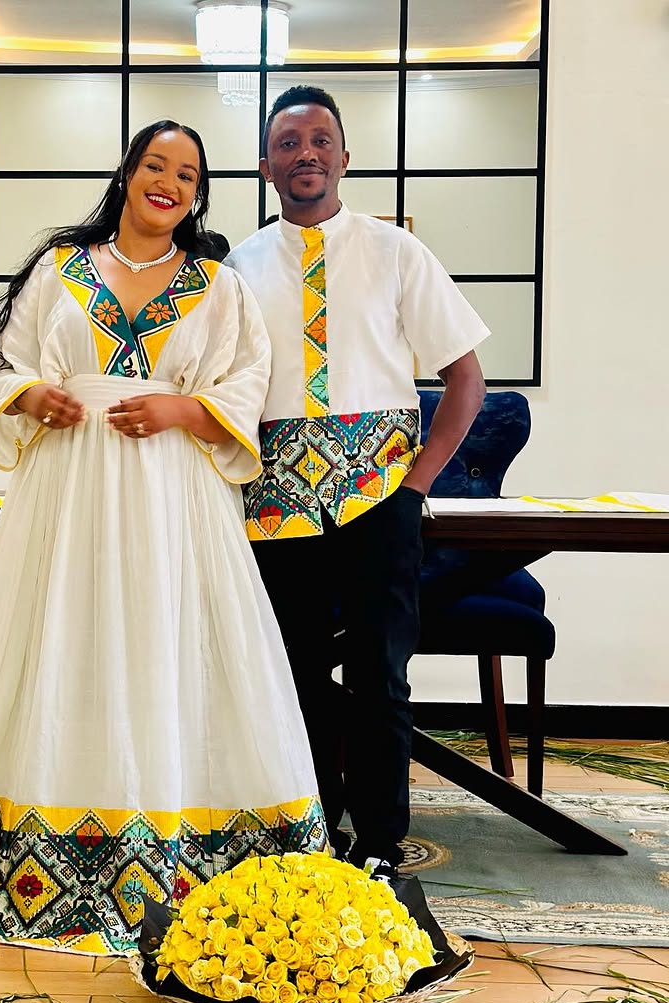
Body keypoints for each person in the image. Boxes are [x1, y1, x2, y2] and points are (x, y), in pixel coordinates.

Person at [0, 120, 327, 955]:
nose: (169, 184)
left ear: (197, 194)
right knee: (58, 642)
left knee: (163, 647)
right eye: (156, 165)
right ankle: (34, 836)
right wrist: (33, 398)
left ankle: (175, 845)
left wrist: (185, 407)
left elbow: (248, 381)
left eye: (187, 175)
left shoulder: (217, 286)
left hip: (172, 503)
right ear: (129, 172)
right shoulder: (59, 271)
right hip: (66, 496)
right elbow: (5, 362)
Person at [226, 86, 488, 882]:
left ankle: (378, 841)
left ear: (345, 156)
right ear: (266, 164)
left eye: (320, 139)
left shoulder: (396, 251)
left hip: (380, 499)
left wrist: (415, 485)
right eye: (288, 142)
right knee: (291, 674)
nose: (305, 153)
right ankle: (306, 835)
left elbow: (465, 378)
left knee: (379, 672)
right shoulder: (237, 265)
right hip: (273, 507)